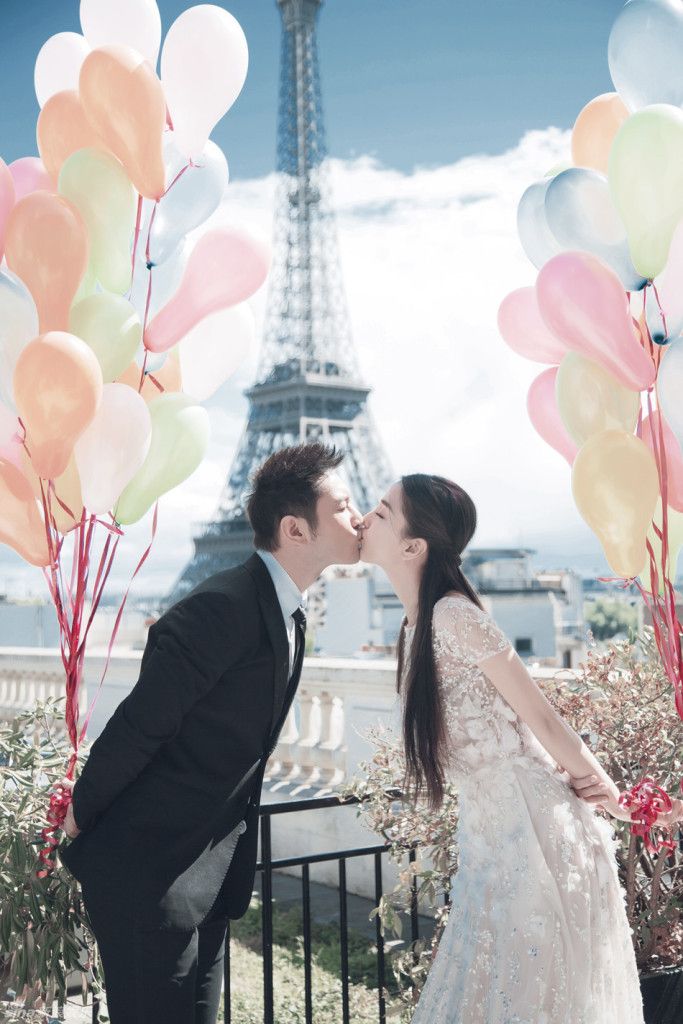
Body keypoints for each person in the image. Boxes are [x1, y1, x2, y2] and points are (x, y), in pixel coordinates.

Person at [359, 473, 683, 1024]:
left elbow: (543, 719)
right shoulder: (415, 627)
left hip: (538, 832)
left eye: (383, 512)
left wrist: (613, 796)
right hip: (493, 832)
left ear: (414, 546)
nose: (367, 517)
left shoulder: (455, 615)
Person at [59, 442, 364, 1024]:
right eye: (344, 506)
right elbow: (140, 725)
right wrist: (79, 811)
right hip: (149, 874)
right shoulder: (220, 608)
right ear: (296, 530)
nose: (358, 517)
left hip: (206, 876)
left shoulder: (287, 608)